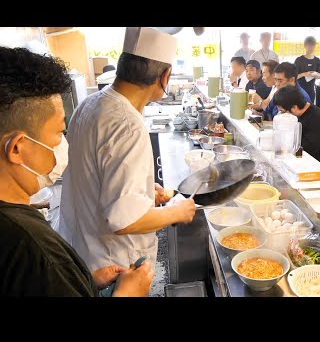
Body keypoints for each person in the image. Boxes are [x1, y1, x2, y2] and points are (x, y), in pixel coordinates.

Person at [0, 46, 153, 296]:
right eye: (60, 133)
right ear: (17, 148)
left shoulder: (17, 224)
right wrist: (129, 293)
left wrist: (85, 282)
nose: (64, 144)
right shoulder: (31, 246)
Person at [59, 28, 197, 271]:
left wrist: (141, 193)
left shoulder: (91, 103)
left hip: (83, 251)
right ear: (165, 77)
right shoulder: (128, 126)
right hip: (115, 265)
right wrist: (177, 212)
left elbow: (97, 177)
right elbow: (125, 220)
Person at [274, 85, 320, 172]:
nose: (281, 114)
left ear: (294, 108)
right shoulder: (297, 114)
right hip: (302, 160)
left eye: (283, 111)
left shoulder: (316, 117)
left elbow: (310, 148)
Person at [294, 36, 320, 103]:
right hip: (300, 89)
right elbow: (294, 76)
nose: (311, 47)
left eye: (313, 45)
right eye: (309, 45)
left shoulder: (317, 60)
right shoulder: (299, 60)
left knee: (310, 108)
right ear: (305, 45)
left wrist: (316, 75)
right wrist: (304, 74)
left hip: (311, 89)